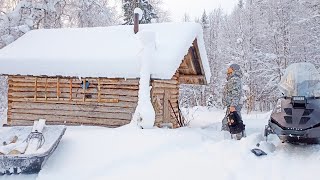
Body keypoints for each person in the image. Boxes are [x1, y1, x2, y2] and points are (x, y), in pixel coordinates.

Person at [221, 64, 245, 140]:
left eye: (230, 68)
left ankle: (228, 139)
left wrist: (233, 105)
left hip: (234, 105)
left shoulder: (235, 79)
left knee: (231, 121)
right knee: (235, 120)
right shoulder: (233, 78)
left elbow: (236, 93)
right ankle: (239, 138)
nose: (228, 69)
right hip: (232, 104)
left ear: (234, 69)